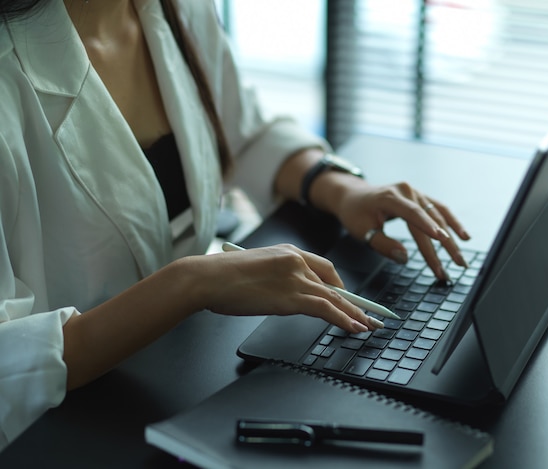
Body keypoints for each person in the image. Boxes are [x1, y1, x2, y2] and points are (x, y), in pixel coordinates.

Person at [0, 0, 471, 450]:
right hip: (64, 428)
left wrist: (339, 187)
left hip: (173, 375)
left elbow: (243, 132)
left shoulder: (173, 9)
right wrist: (190, 282)